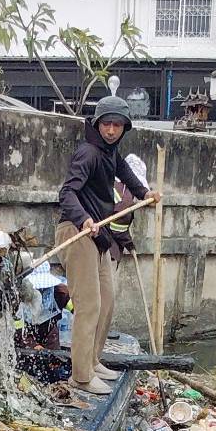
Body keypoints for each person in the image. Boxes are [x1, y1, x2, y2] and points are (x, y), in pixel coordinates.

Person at [57, 96, 158, 395]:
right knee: (88, 305)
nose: (111, 130)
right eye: (106, 124)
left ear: (124, 127)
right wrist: (84, 219)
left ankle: (92, 361)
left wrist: (145, 193)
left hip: (97, 236)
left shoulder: (110, 152)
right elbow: (67, 193)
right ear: (97, 124)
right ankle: (80, 377)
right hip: (77, 232)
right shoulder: (88, 152)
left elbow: (125, 173)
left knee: (107, 301)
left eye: (117, 125)